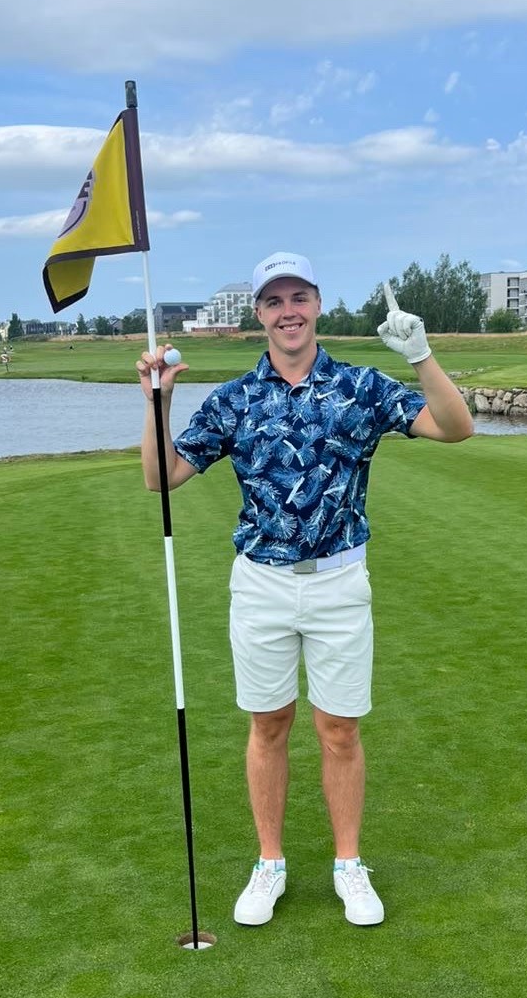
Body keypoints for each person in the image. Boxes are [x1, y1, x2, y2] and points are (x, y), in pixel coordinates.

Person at [137, 251, 473, 928]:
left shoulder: (361, 387)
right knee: (268, 725)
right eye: (274, 300)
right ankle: (270, 863)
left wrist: (422, 356)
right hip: (260, 582)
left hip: (340, 580)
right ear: (259, 314)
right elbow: (162, 476)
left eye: (299, 296)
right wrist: (161, 398)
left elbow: (455, 427)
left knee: (340, 730)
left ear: (317, 304)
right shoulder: (234, 399)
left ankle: (348, 865)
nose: (288, 310)